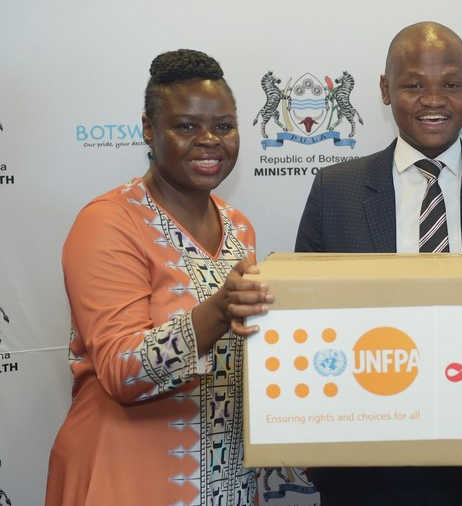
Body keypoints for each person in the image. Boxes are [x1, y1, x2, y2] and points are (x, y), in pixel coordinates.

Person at [293, 21, 462, 506]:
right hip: (365, 462)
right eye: (414, 84)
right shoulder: (336, 191)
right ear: (385, 90)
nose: (434, 100)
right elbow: (305, 323)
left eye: (451, 85)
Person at [45, 49, 273, 506]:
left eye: (224, 126)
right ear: (149, 129)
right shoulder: (108, 222)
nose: (209, 139)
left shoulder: (238, 225)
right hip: (126, 476)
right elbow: (122, 372)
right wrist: (218, 310)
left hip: (227, 480)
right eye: (186, 126)